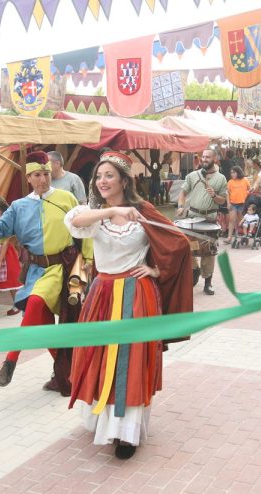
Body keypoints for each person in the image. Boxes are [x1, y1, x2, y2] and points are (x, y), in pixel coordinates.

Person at [65, 151, 192, 460]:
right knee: (98, 357)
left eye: (110, 175)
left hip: (137, 294)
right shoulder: (93, 212)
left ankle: (126, 434)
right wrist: (111, 212)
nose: (102, 181)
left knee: (131, 360)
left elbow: (178, 243)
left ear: (124, 180)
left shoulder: (144, 210)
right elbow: (74, 222)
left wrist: (156, 270)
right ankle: (100, 420)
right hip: (102, 294)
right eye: (99, 176)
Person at [0, 151, 93, 395]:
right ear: (29, 177)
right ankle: (67, 373)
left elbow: (85, 228)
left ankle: (11, 359)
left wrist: (88, 261)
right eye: (37, 175)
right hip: (35, 271)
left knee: (35, 304)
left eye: (46, 174)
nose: (42, 179)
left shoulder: (66, 198)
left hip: (66, 268)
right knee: (42, 326)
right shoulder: (19, 207)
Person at [176, 148, 228, 296]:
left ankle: (208, 282)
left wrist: (215, 195)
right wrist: (180, 206)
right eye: (203, 157)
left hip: (210, 218)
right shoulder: (192, 176)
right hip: (192, 216)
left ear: (215, 159)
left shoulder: (221, 178)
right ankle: (195, 269)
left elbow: (222, 200)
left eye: (207, 157)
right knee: (189, 247)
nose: (204, 159)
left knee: (208, 251)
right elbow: (183, 193)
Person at [224, 166, 250, 243]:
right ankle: (229, 237)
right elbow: (227, 193)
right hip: (233, 204)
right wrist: (228, 203)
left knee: (241, 221)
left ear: (238, 172)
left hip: (242, 204)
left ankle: (245, 236)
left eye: (234, 172)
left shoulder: (245, 180)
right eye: (231, 173)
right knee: (231, 220)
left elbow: (249, 189)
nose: (232, 174)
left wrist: (247, 195)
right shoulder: (230, 182)